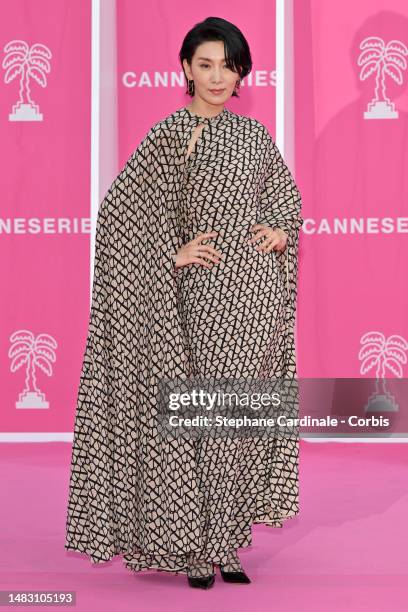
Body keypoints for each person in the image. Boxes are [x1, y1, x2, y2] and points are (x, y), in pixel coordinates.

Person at [65, 16, 303, 590]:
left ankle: (227, 543)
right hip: (200, 304)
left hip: (257, 301)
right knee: (200, 423)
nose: (219, 77)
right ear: (185, 69)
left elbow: (284, 201)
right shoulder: (173, 134)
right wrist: (170, 253)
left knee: (242, 424)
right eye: (206, 65)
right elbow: (121, 219)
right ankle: (196, 547)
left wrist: (279, 231)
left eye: (229, 65)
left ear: (241, 70)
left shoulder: (252, 138)